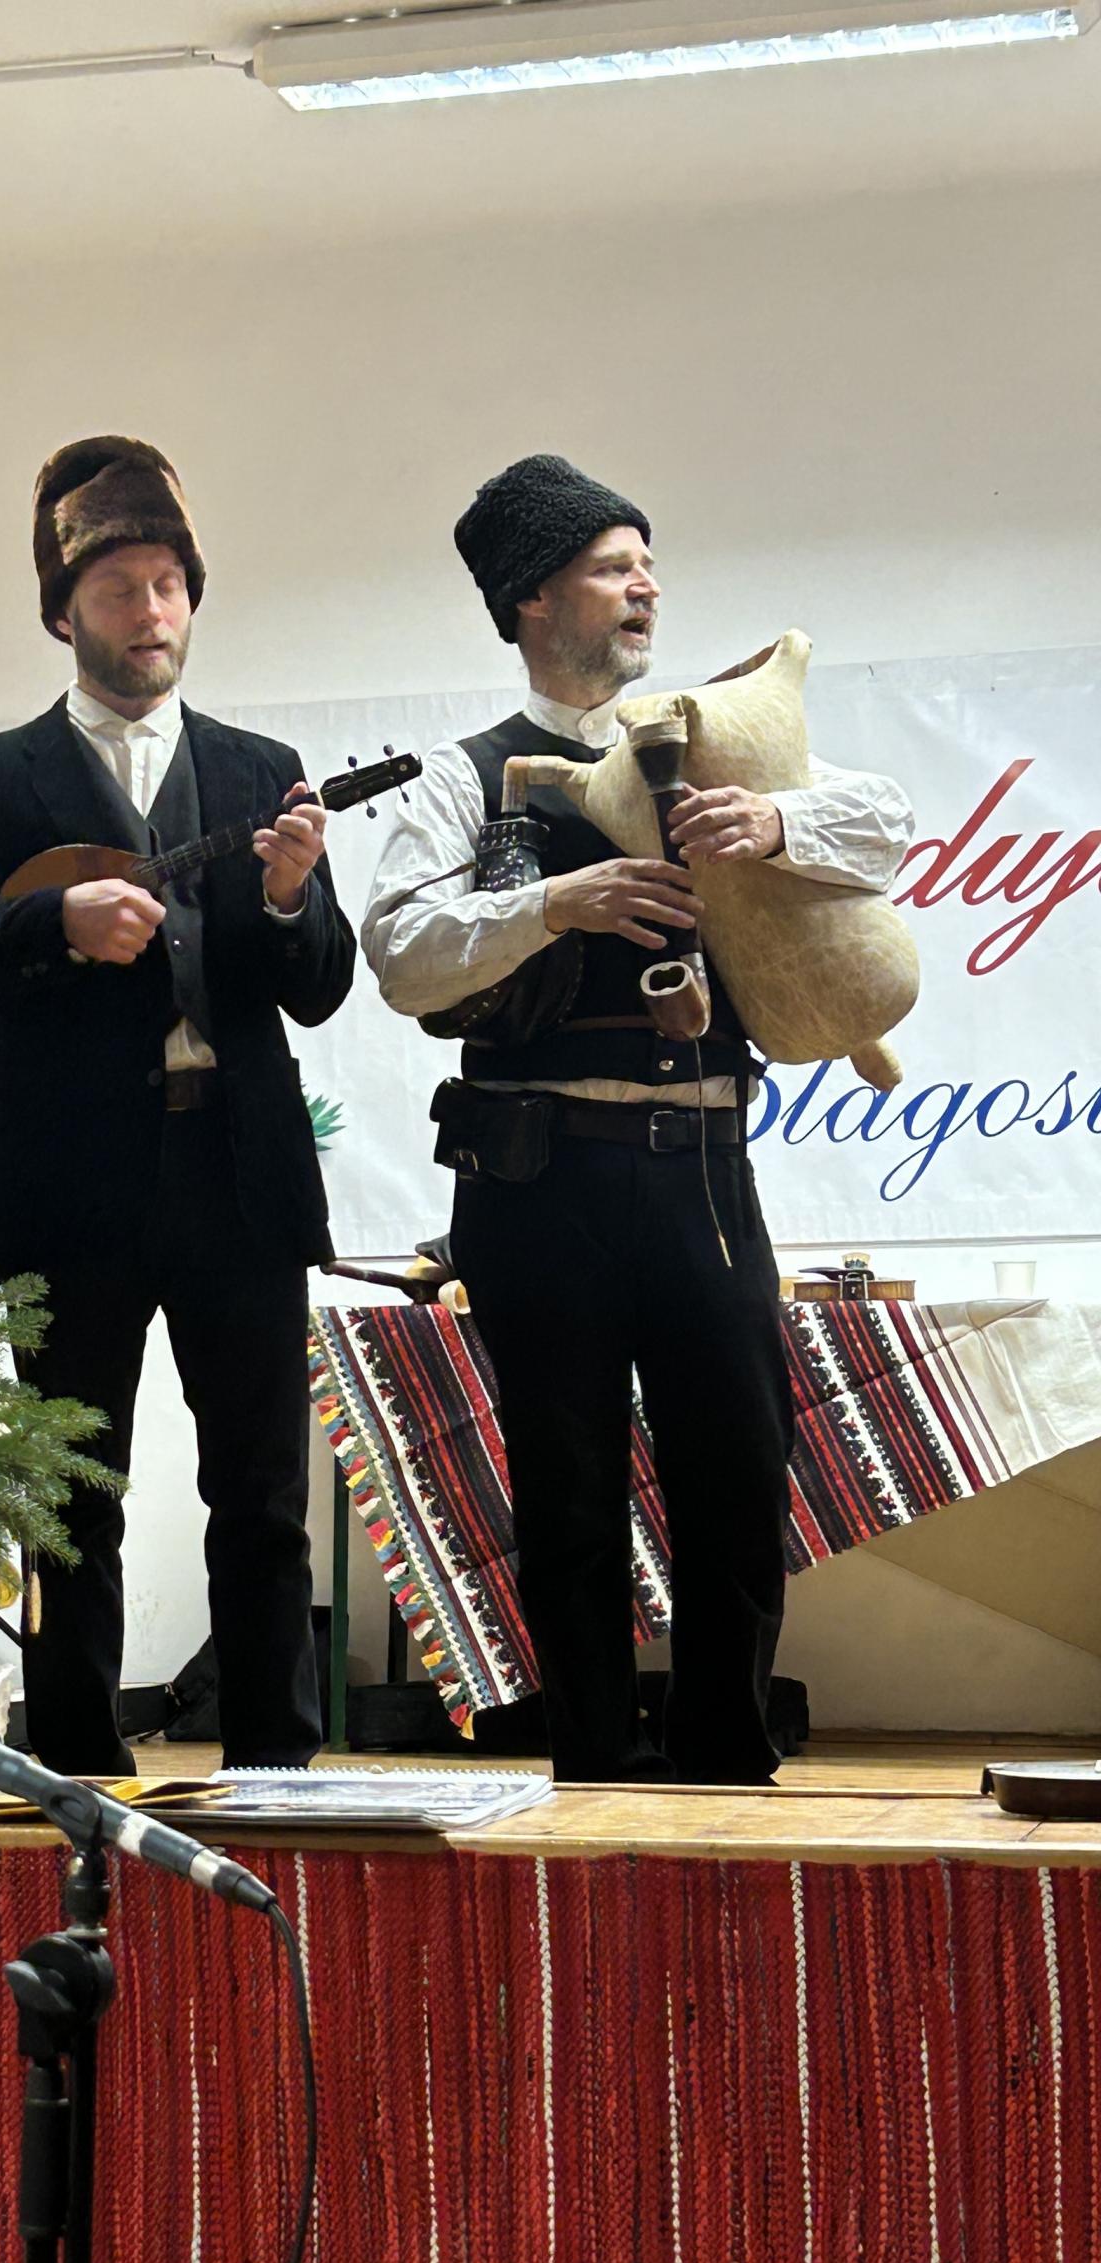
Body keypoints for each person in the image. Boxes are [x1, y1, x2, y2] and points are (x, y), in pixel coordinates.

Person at [363, 454, 913, 1785]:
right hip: (536, 1180)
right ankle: (594, 1773)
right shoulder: (466, 775)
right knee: (566, 1493)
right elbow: (400, 950)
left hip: (703, 1173)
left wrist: (772, 822)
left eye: (648, 563)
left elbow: (888, 824)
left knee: (740, 1470)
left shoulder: (711, 740)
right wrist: (557, 902)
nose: (645, 586)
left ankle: (727, 1765)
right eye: (614, 566)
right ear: (533, 598)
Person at [0, 437, 356, 1775]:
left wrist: (287, 897)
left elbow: (321, 987)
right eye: (119, 589)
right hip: (70, 1193)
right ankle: (80, 1768)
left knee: (262, 1499)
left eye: (168, 586)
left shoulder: (262, 766)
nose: (151, 612)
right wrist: (53, 923)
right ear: (63, 613)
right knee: (70, 1502)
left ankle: (275, 1769)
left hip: (240, 1183)